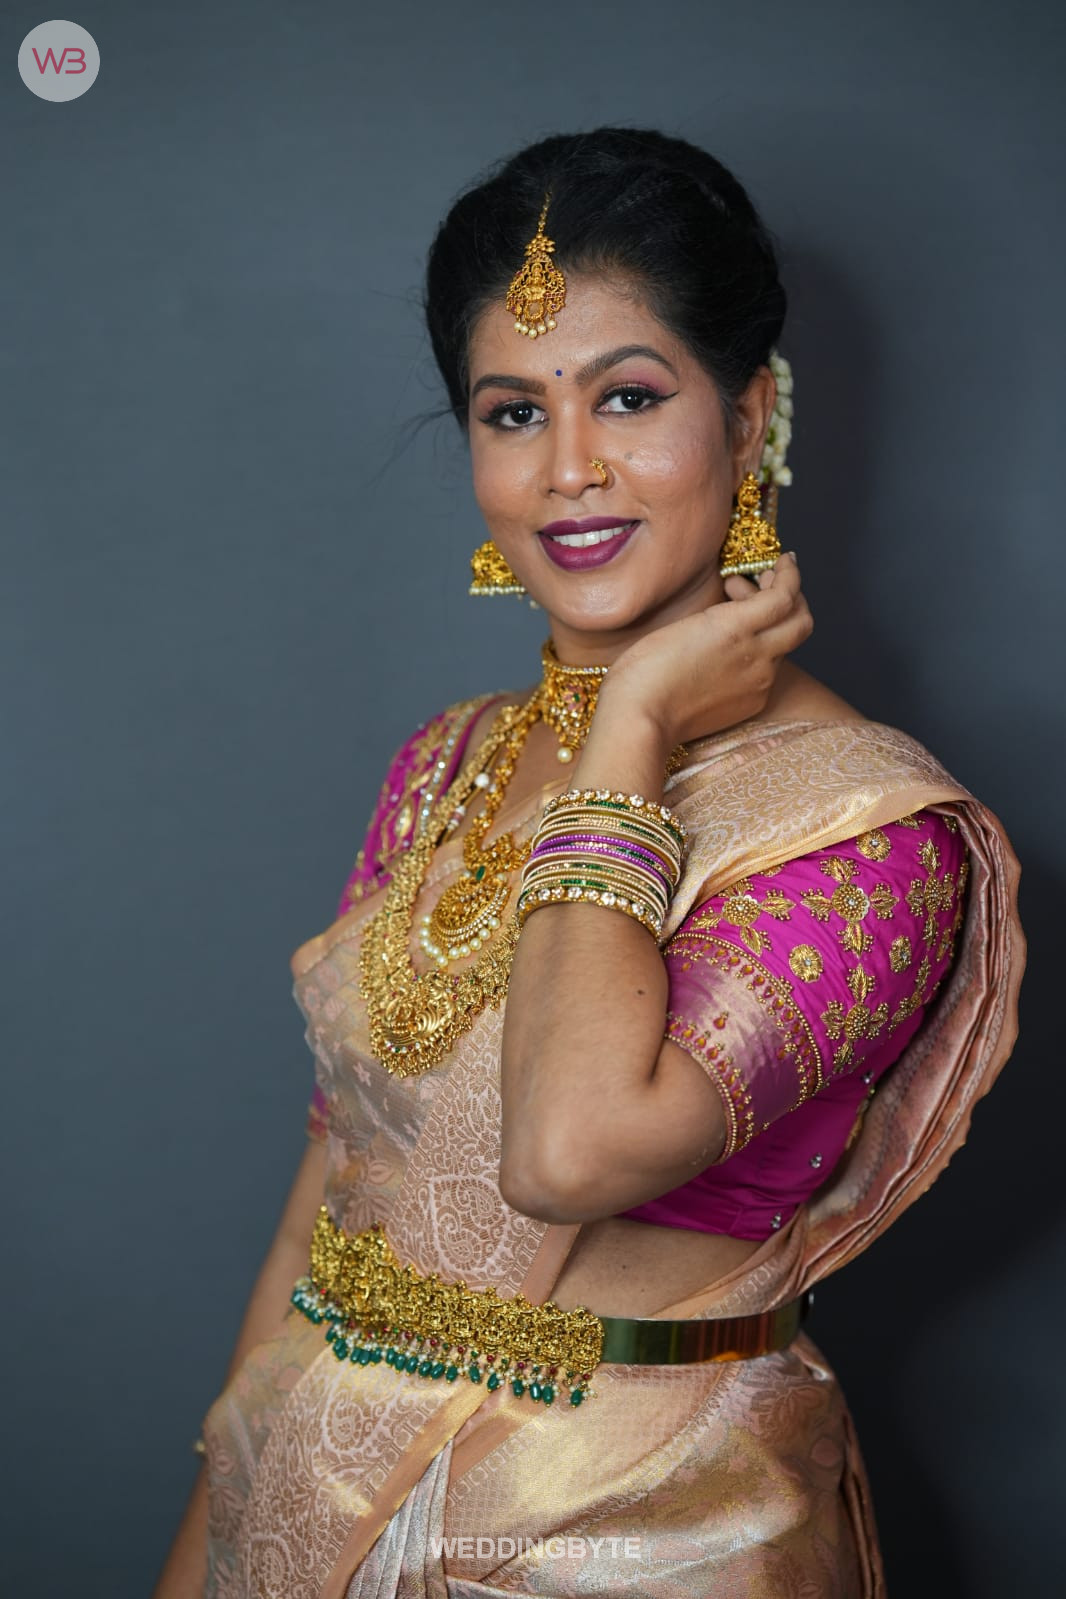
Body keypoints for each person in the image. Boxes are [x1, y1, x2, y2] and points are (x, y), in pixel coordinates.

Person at [153, 126, 1025, 1599]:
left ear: (749, 418)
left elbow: (568, 1155)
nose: (569, 469)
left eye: (628, 396)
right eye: (513, 412)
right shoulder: (445, 762)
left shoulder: (869, 831)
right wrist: (211, 1552)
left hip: (640, 1530)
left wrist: (628, 733)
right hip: (313, 1496)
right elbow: (328, 1202)